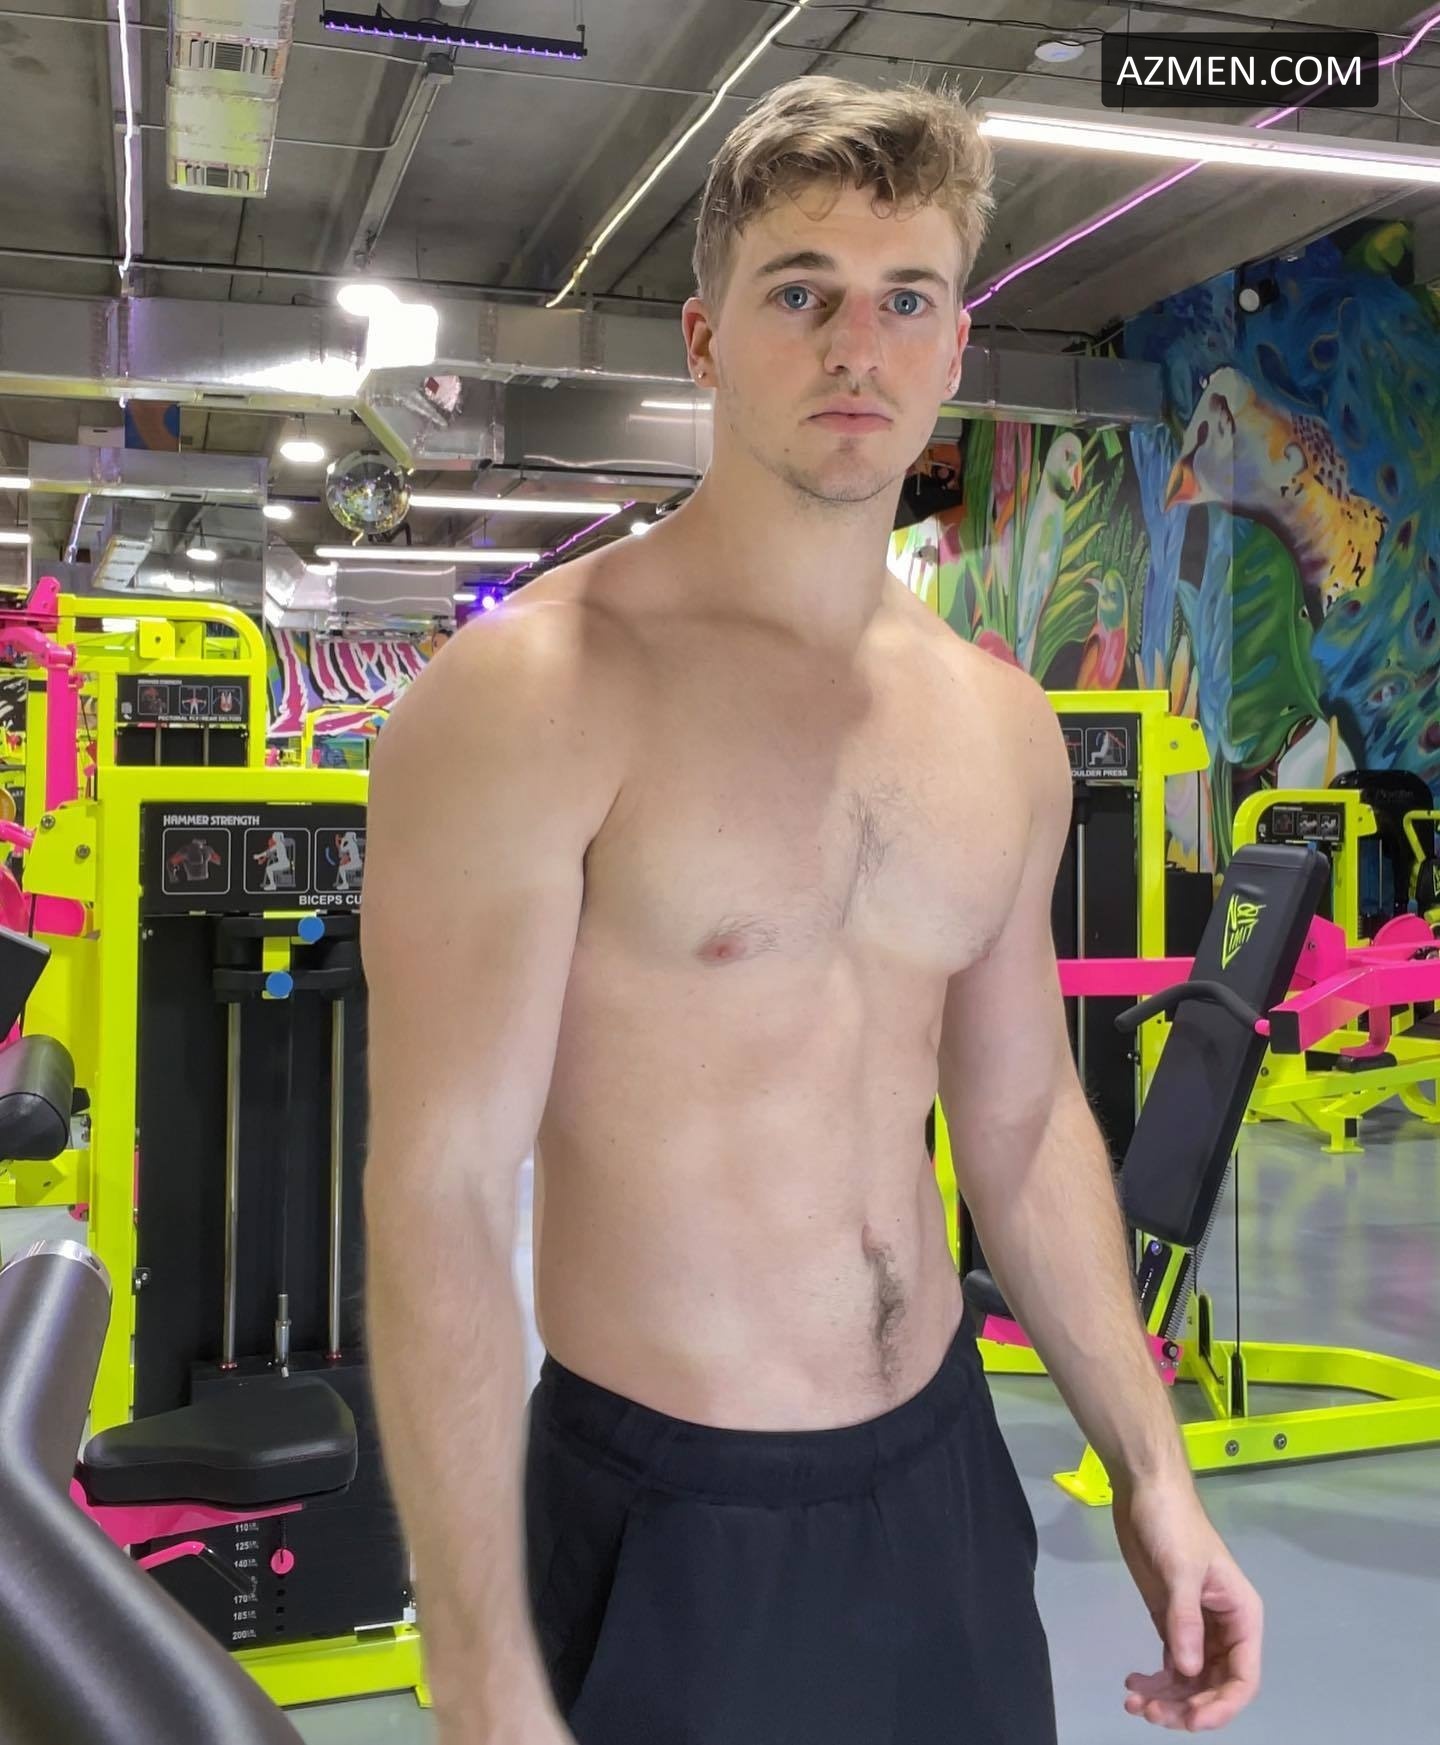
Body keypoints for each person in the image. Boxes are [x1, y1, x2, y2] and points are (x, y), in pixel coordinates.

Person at [361, 76, 1263, 1745]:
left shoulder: (999, 725)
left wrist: (1154, 1467)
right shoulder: (536, 695)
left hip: (941, 1481)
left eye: (907, 298)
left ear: (956, 343)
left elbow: (1018, 1120)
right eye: (803, 293)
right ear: (706, 341)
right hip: (667, 1514)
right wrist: (482, 1673)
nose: (860, 344)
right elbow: (442, 1194)